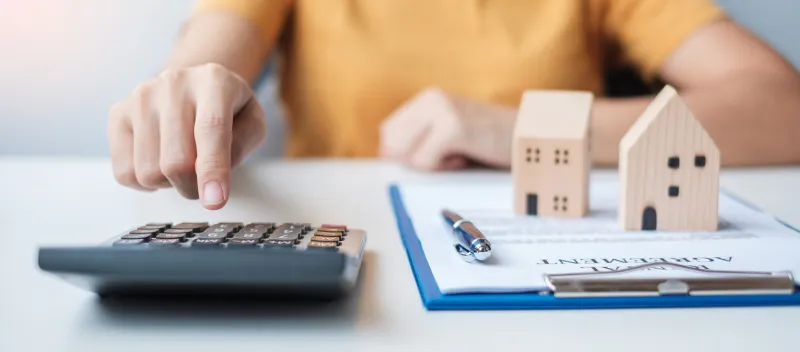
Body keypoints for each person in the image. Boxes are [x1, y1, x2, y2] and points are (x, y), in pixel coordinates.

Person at [107, 0, 800, 210]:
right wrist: (192, 91)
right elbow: (208, 58)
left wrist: (527, 130)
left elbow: (783, 106)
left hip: (550, 268)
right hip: (342, 246)